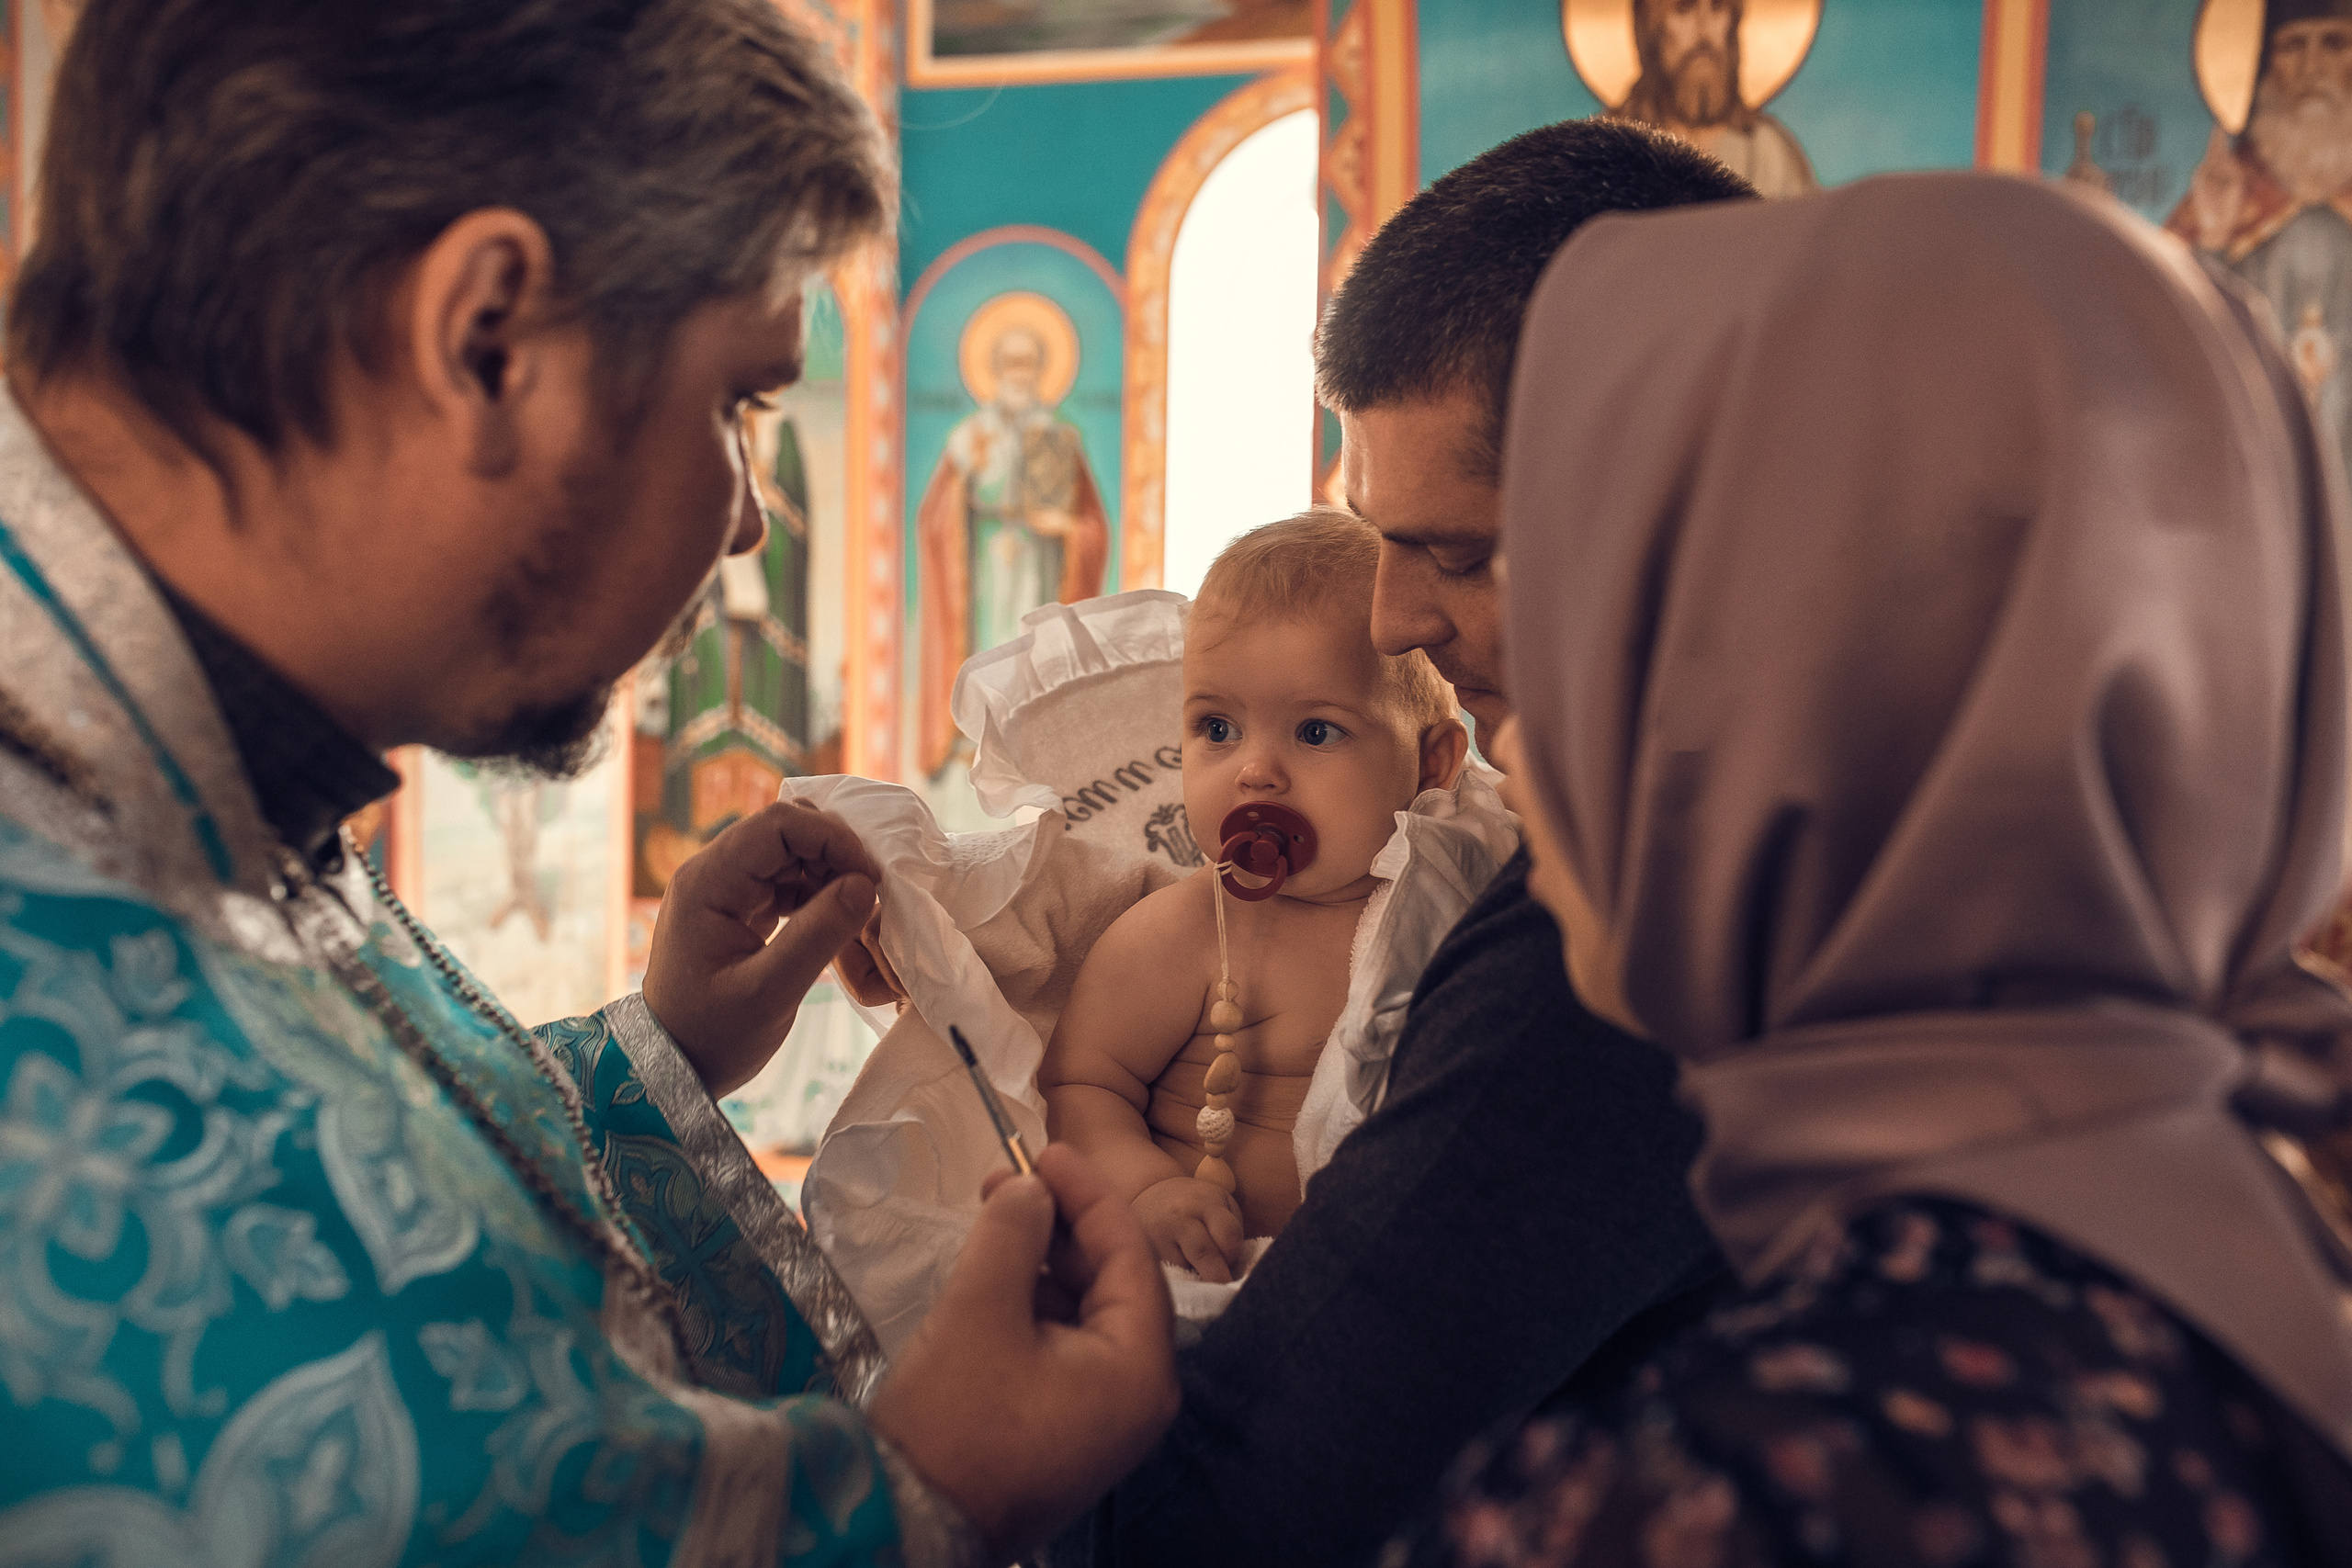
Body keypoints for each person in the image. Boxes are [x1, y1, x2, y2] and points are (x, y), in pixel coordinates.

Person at [0, 5, 1173, 1566]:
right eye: (741, 403)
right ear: (487, 340)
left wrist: (653, 1059)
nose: (751, 521)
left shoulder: (168, 752)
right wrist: (926, 1500)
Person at [1412, 171, 2352, 1563]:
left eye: (1605, 642)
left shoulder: (1718, 1499)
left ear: (1805, 699)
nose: (1522, 750)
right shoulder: (2264, 1268)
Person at [1054, 119, 1756, 1568]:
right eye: (1382, 541)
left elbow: (1253, 1500)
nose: (1394, 619)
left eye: (1462, 553)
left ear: (1679, 507)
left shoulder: (1627, 919)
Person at [1042, 512, 1467, 1276]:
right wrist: (1147, 1192)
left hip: (1377, 1285)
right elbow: (1080, 1084)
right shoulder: (1187, 933)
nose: (1255, 771)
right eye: (1218, 728)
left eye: (1315, 732)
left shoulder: (1451, 914)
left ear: (1432, 762)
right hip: (1207, 1274)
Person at [915, 314, 1113, 779]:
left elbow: (1092, 526)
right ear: (995, 370)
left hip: (1040, 563)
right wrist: (964, 491)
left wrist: (1064, 526)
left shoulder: (1061, 439)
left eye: (1029, 363)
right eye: (1011, 363)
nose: (1019, 374)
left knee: (1028, 639)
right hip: (982, 562)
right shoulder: (969, 437)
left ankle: (1031, 732)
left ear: (1041, 370)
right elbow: (934, 518)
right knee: (991, 639)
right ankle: (979, 732)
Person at [2171, 0, 2352, 479]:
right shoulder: (2226, 192)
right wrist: (2212, 238)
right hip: (2255, 475)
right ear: (2266, 64)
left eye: (2335, 42)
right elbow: (2176, 348)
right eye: (2293, 46)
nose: (2312, 67)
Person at [1610, 0, 1815, 198]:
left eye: (1717, 7)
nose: (1704, 30)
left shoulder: (1768, 150)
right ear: (1651, 29)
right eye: (1684, 9)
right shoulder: (1613, 150)